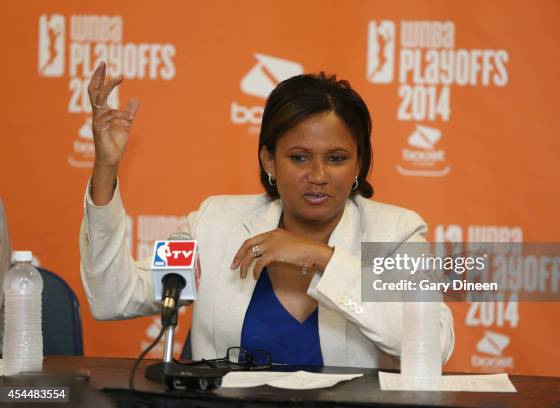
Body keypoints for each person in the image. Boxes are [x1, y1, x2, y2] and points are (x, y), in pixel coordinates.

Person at [80, 61, 454, 368]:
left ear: (359, 164)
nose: (319, 176)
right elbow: (116, 297)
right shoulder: (217, 224)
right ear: (269, 161)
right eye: (299, 157)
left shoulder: (395, 234)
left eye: (337, 159)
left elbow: (433, 344)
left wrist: (320, 257)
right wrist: (106, 168)